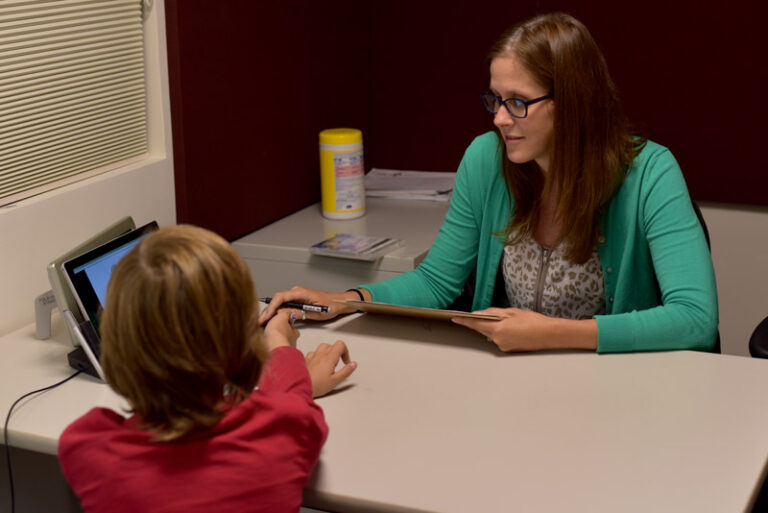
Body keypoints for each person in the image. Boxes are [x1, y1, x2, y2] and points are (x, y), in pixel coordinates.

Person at [261, 12, 718, 354]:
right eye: (495, 99)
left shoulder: (651, 174)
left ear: (574, 103)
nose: (500, 118)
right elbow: (437, 282)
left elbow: (695, 319)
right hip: (513, 386)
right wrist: (347, 301)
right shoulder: (485, 160)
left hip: (620, 391)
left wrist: (550, 334)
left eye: (517, 102)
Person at [58, 225, 357, 513]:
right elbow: (291, 408)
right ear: (243, 344)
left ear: (114, 350)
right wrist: (281, 346)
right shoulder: (288, 426)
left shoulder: (89, 450)